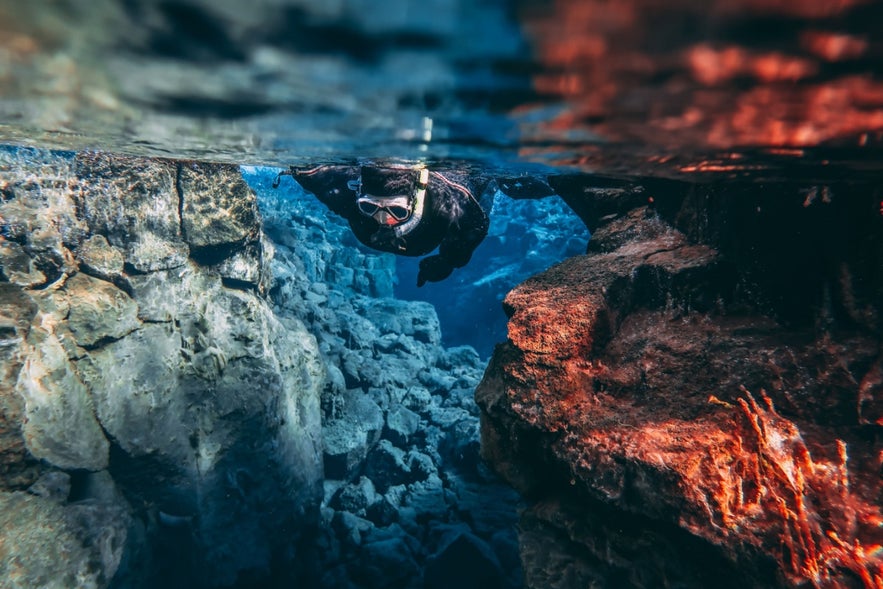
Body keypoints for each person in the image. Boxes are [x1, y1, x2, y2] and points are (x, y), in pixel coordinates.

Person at [275, 164, 497, 286]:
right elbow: (313, 176)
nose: (382, 219)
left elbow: (475, 227)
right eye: (370, 207)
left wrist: (448, 260)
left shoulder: (448, 202)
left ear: (412, 202)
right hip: (420, 241)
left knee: (490, 183)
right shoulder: (346, 193)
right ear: (361, 197)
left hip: (430, 237)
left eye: (397, 210)